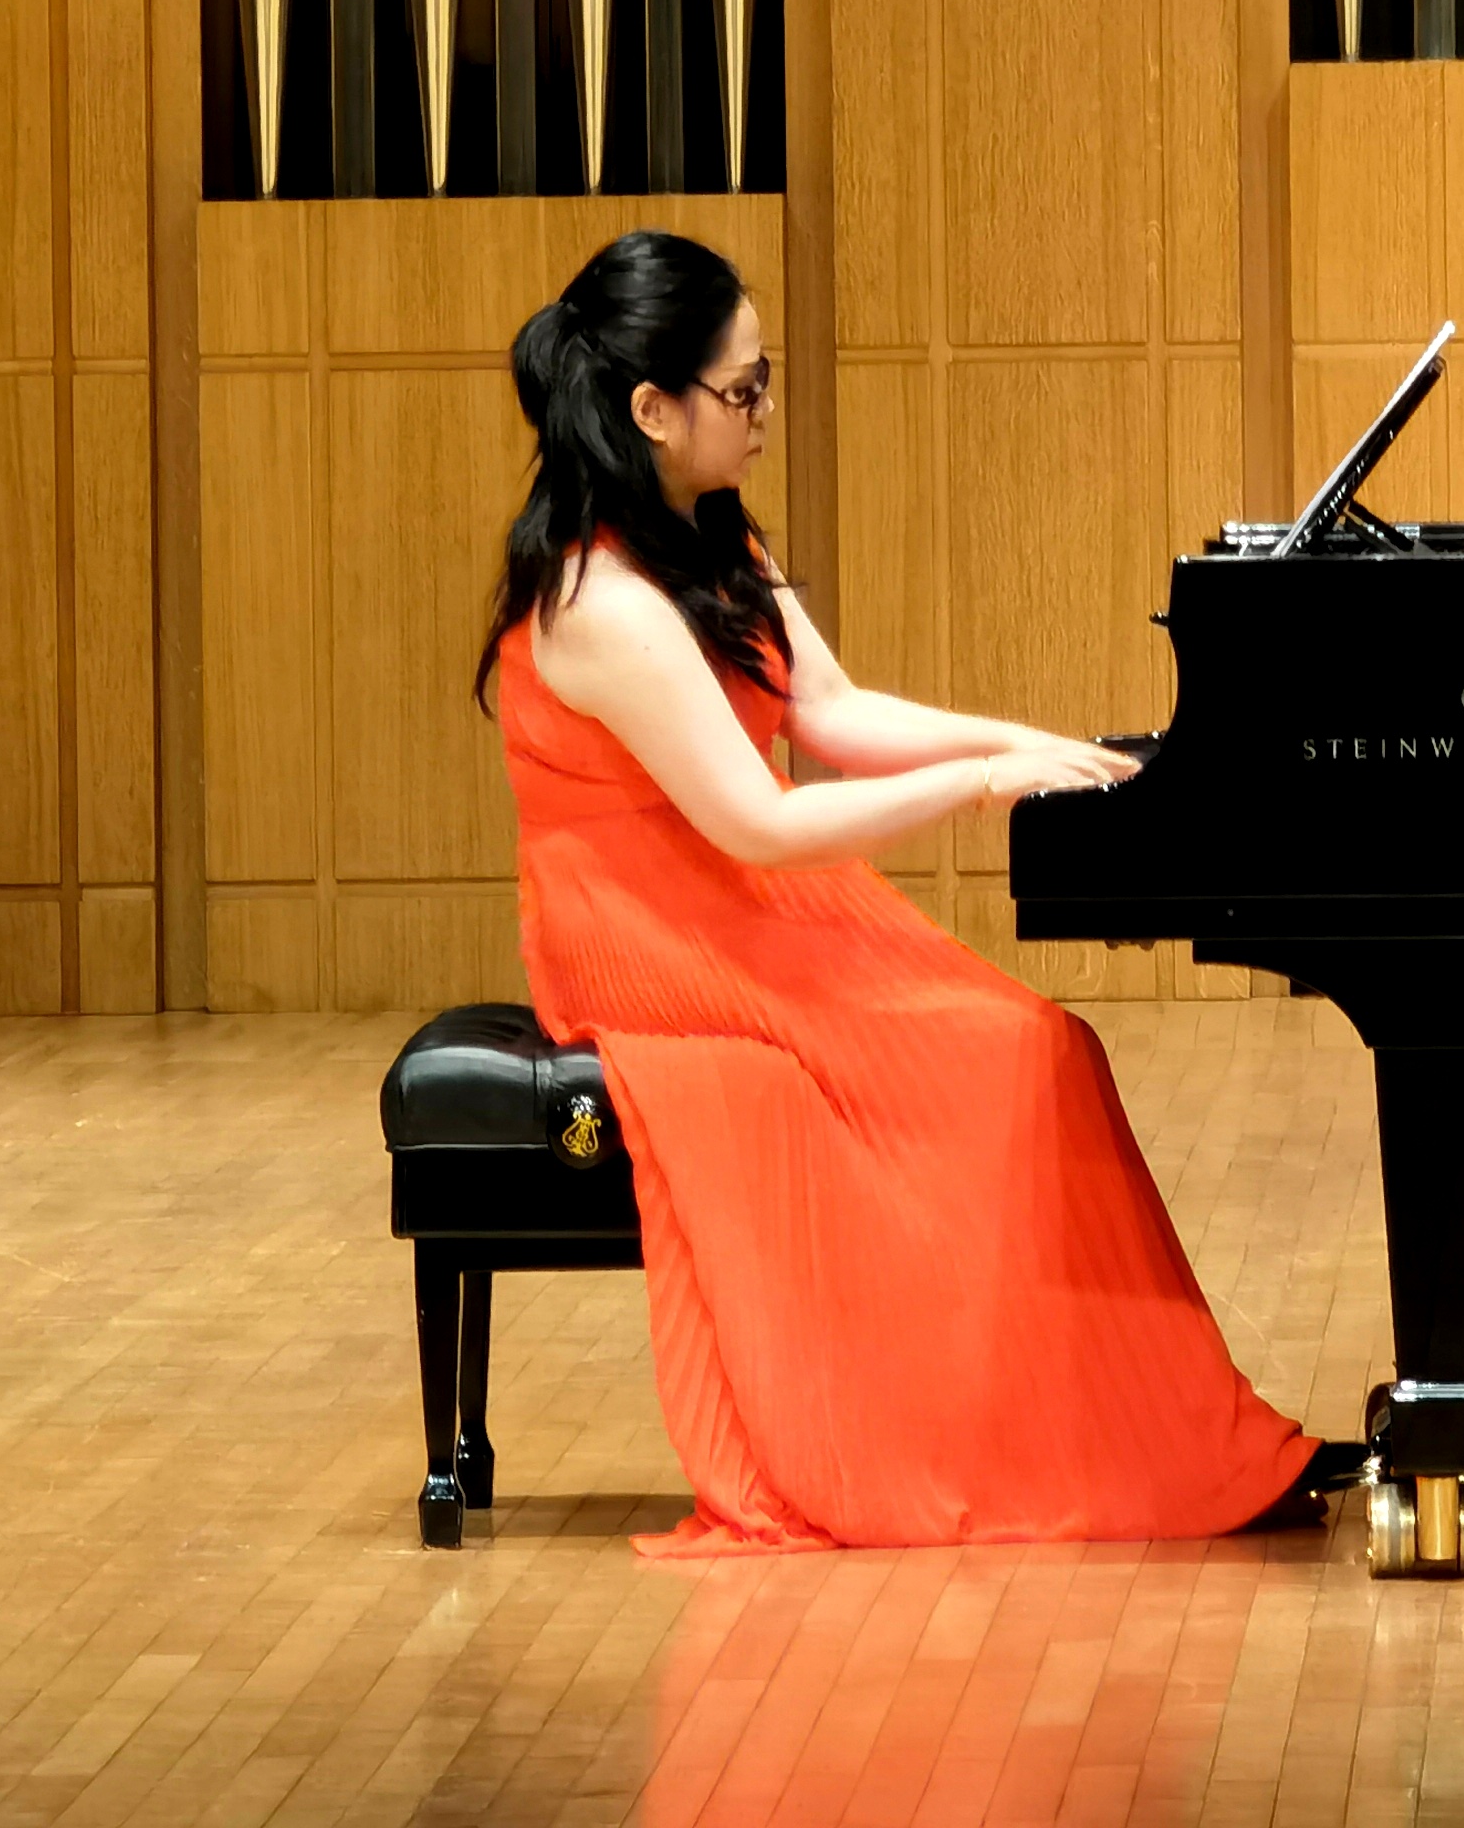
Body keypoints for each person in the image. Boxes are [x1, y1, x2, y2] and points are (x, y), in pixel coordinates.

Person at [480, 228, 1346, 1553]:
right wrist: (981, 784)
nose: (765, 413)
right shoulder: (599, 601)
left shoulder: (708, 531)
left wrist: (1042, 747)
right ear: (652, 409)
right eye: (743, 389)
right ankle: (1037, 1447)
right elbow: (762, 821)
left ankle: (1132, 1433)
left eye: (763, 381)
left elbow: (830, 709)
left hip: (733, 899)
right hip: (650, 937)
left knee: (1041, 1048)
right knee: (998, 1063)